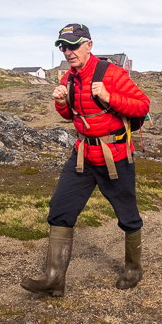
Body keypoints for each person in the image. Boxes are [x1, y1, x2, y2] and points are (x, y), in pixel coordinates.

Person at [21, 23, 150, 297]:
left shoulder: (112, 74)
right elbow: (71, 116)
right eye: (63, 46)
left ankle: (134, 269)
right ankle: (54, 279)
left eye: (74, 45)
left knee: (127, 215)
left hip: (115, 157)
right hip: (82, 156)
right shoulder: (66, 79)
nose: (68, 51)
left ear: (89, 45)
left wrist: (109, 96)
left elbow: (142, 105)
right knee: (60, 209)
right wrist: (60, 102)